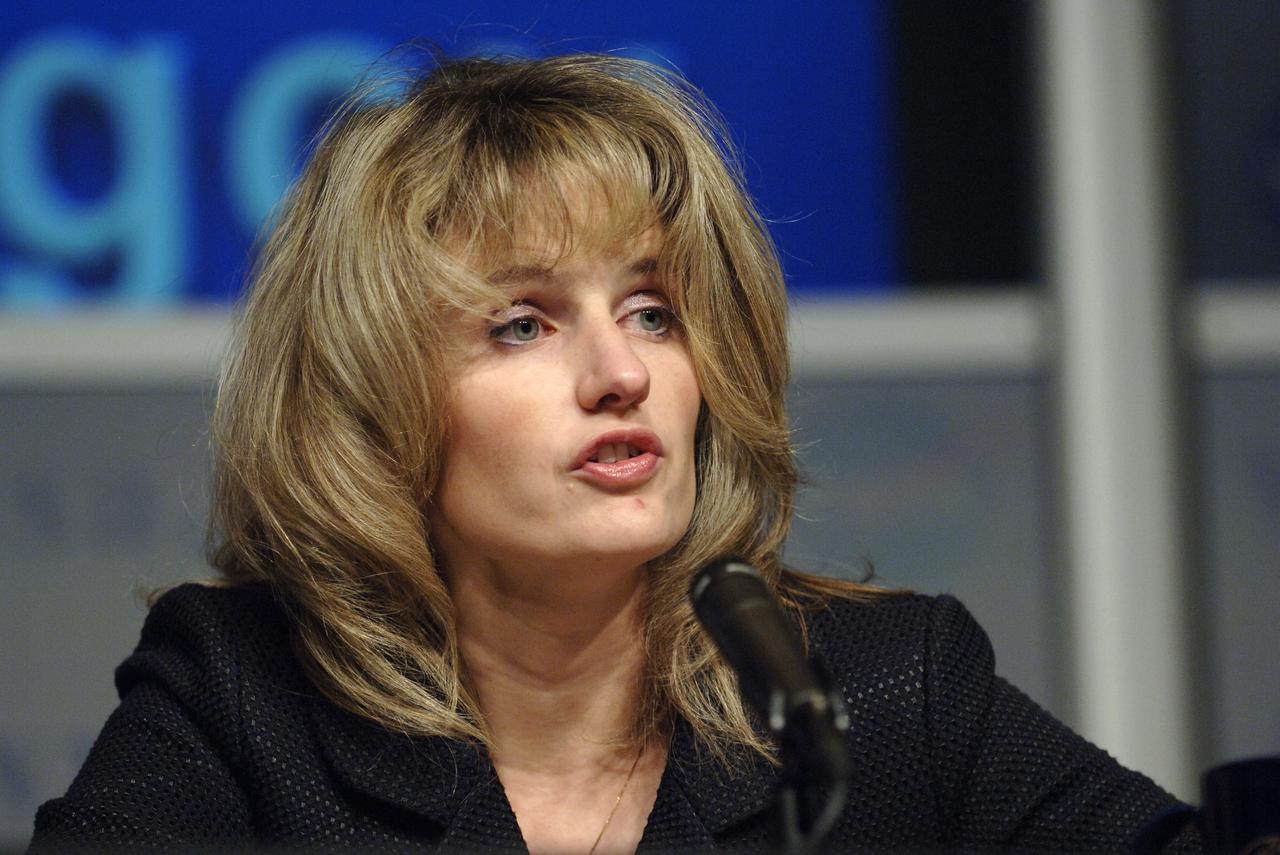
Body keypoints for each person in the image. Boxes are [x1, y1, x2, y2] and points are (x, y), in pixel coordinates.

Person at [30, 53, 1200, 853]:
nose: (620, 374)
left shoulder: (877, 697)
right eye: (522, 325)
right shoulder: (244, 701)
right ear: (373, 403)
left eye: (650, 312)